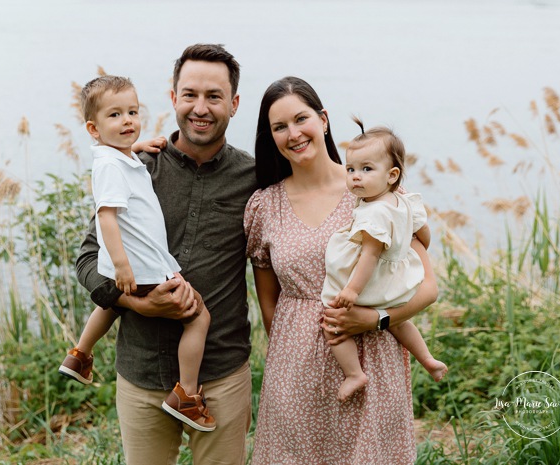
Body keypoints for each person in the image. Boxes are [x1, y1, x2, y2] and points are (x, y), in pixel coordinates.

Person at [75, 44, 256, 465]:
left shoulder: (253, 179)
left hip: (222, 376)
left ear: (234, 103)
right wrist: (138, 302)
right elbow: (88, 261)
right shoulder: (135, 168)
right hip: (141, 375)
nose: (201, 108)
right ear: (173, 98)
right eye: (190, 94)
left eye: (214, 96)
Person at [244, 76, 438, 464]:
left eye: (301, 119)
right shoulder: (264, 206)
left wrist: (375, 320)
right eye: (280, 127)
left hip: (373, 361)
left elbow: (427, 287)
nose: (293, 134)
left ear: (324, 120)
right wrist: (294, 357)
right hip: (294, 371)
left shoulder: (376, 191)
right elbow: (269, 304)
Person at [59, 75, 216, 432]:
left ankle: (80, 354)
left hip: (131, 266)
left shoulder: (113, 157)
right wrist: (122, 267)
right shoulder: (113, 168)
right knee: (198, 316)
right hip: (141, 266)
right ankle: (187, 395)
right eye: (115, 115)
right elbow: (107, 219)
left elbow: (117, 159)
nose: (127, 120)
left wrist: (134, 146)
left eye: (132, 112)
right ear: (93, 128)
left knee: (111, 304)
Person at [321, 119, 447, 402]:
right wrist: (408, 247)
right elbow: (423, 234)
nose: (355, 177)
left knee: (333, 324)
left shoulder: (373, 213)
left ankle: (354, 373)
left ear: (392, 175)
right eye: (351, 168)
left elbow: (370, 254)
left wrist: (352, 290)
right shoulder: (403, 200)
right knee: (399, 321)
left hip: (370, 282)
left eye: (366, 169)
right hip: (396, 279)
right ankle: (427, 359)